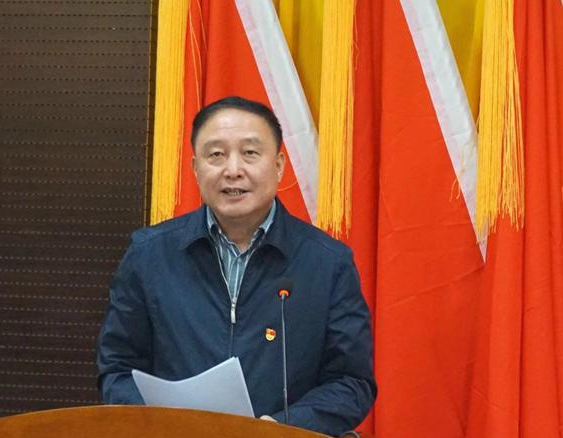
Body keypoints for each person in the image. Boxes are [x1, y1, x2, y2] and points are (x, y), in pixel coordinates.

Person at [97, 96, 376, 436]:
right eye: (216, 155)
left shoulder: (328, 263)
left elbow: (351, 382)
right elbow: (117, 369)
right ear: (195, 168)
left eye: (250, 153)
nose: (233, 170)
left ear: (279, 165)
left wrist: (282, 428)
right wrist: (167, 425)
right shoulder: (149, 255)